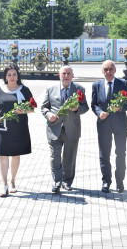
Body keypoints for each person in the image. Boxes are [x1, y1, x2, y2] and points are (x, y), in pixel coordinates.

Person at [41, 65, 89, 193]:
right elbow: (44, 108)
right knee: (55, 157)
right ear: (59, 75)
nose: (66, 76)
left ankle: (67, 181)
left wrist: (77, 109)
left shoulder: (80, 89)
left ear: (72, 75)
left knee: (69, 157)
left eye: (69, 73)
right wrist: (49, 115)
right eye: (64, 73)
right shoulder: (50, 89)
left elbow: (85, 107)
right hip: (54, 128)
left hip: (72, 129)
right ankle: (56, 182)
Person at [0, 65, 34, 197]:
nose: (12, 77)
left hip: (19, 127)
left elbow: (32, 109)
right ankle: (4, 185)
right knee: (3, 155)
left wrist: (24, 111)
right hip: (2, 127)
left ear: (18, 75)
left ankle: (12, 181)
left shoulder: (24, 90)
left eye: (14, 74)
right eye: (9, 75)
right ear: (5, 76)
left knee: (15, 155)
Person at [91, 60, 127, 193]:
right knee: (104, 154)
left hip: (120, 124)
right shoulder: (96, 85)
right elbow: (94, 104)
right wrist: (99, 113)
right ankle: (106, 181)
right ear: (102, 71)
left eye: (110, 69)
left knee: (120, 153)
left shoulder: (123, 84)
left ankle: (120, 181)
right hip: (103, 124)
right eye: (106, 70)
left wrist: (120, 107)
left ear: (115, 70)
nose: (108, 72)